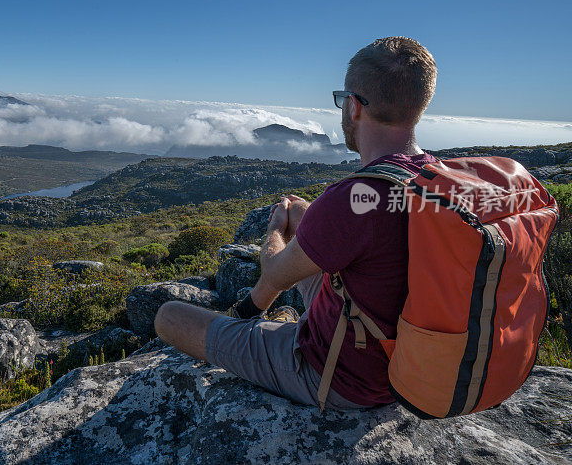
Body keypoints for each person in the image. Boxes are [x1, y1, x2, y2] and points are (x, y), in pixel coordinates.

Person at [154, 36, 439, 409]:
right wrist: (305, 216)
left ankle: (252, 321)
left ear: (353, 106)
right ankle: (253, 311)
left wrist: (275, 230)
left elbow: (274, 270)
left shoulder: (354, 200)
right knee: (306, 213)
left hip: (339, 377)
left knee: (168, 315)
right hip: (407, 360)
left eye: (342, 99)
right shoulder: (435, 178)